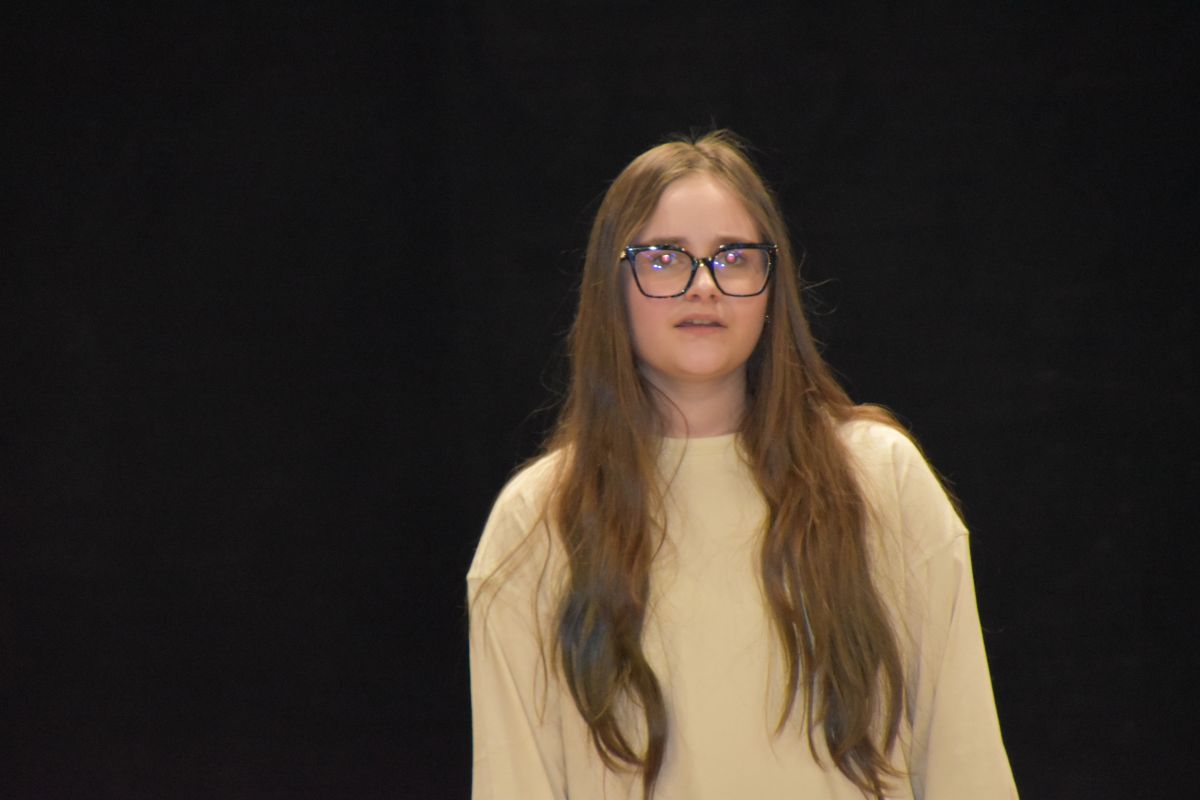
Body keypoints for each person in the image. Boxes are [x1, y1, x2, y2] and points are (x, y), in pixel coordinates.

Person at [468, 130, 1017, 799]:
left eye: (733, 257)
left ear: (771, 286)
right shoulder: (537, 523)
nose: (704, 286)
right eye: (664, 258)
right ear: (611, 287)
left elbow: (964, 758)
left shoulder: (879, 480)